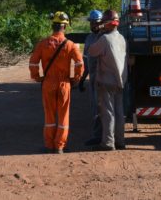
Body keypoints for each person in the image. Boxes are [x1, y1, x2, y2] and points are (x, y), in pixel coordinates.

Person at [29, 11, 84, 154]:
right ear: (65, 27)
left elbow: (33, 63)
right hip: (64, 84)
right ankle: (60, 146)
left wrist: (38, 77)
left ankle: (49, 145)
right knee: (64, 115)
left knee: (49, 115)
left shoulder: (42, 44)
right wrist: (75, 79)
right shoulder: (70, 45)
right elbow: (79, 64)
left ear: (52, 26)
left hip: (48, 84)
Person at [87, 9, 128, 151]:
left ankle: (108, 143)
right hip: (120, 81)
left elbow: (91, 51)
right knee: (119, 112)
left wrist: (100, 33)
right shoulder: (122, 38)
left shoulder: (104, 39)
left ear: (107, 24)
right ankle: (120, 142)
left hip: (106, 81)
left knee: (108, 113)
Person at [80, 10, 103, 146]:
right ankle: (97, 134)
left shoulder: (104, 38)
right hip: (93, 78)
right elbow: (86, 61)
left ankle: (99, 136)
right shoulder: (89, 38)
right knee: (94, 108)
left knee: (100, 108)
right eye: (92, 22)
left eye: (97, 22)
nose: (94, 25)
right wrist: (83, 79)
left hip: (102, 79)